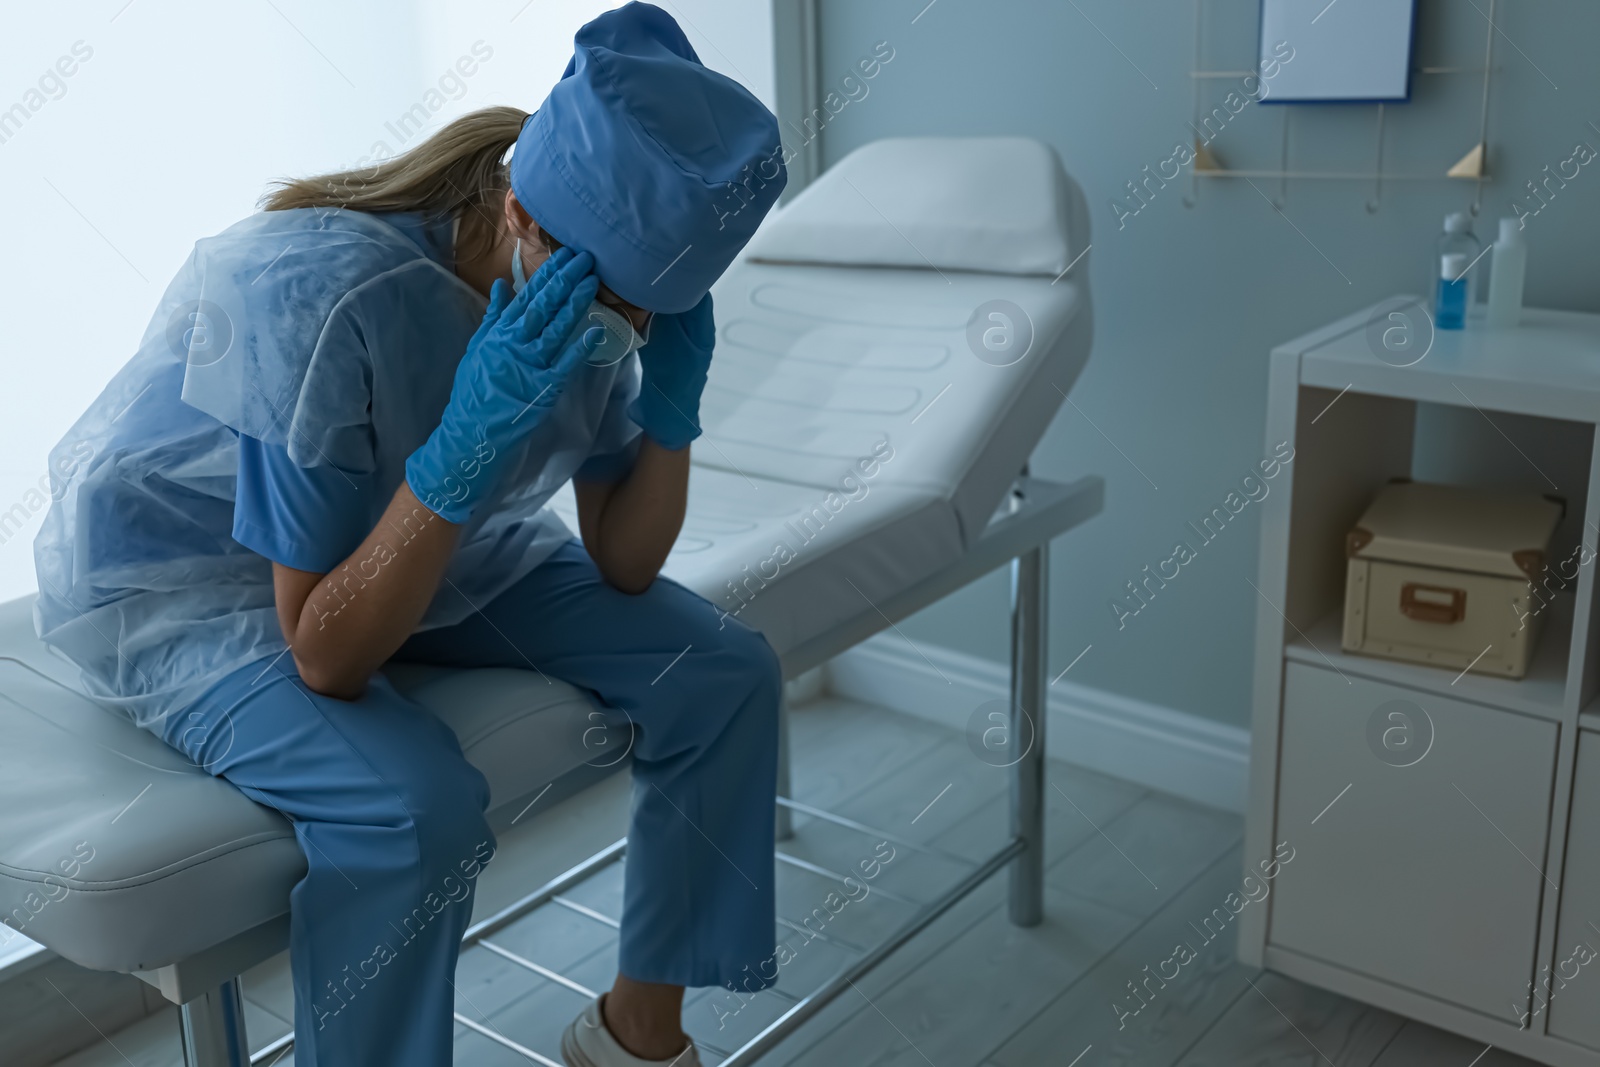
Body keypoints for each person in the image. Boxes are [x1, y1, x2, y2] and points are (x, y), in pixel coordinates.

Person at [32, 5, 787, 1065]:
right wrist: (460, 454)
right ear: (520, 211)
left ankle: (635, 1032)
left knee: (724, 668)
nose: (617, 336)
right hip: (199, 583)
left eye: (643, 317)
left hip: (424, 538)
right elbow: (328, 653)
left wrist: (671, 407)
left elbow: (625, 557)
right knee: (410, 812)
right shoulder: (319, 297)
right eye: (611, 310)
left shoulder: (589, 296)